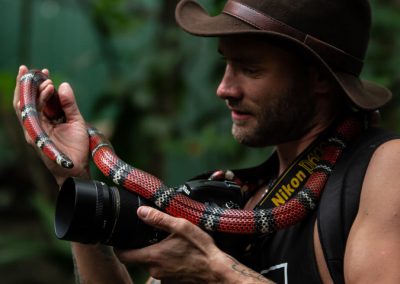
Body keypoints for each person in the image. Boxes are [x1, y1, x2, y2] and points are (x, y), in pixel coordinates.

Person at [13, 0, 400, 283]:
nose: (224, 88)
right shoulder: (232, 196)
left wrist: (215, 270)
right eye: (225, 64)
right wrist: (74, 178)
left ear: (318, 78)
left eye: (250, 68)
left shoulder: (382, 171)